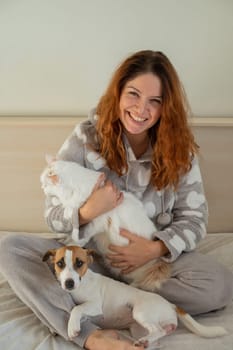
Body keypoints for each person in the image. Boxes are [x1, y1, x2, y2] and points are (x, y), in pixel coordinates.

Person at [0, 50, 232, 350]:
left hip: (150, 268)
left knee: (219, 285)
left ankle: (113, 301)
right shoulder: (86, 138)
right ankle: (91, 334)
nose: (141, 108)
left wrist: (154, 248)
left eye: (155, 101)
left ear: (166, 107)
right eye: (133, 94)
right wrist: (87, 211)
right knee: (11, 250)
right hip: (86, 265)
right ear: (118, 93)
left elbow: (195, 219)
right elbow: (52, 214)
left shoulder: (180, 150)